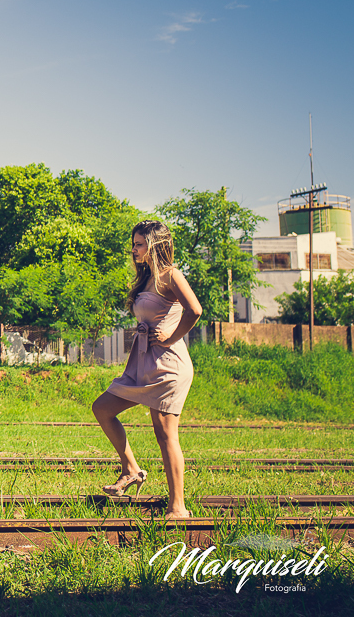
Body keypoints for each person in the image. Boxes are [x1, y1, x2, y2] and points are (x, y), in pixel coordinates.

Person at [92, 220, 202, 519]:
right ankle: (131, 468)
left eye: (139, 244)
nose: (134, 249)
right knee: (102, 408)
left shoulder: (170, 275)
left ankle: (177, 507)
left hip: (169, 365)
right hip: (143, 362)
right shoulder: (146, 278)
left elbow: (195, 310)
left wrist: (171, 336)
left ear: (155, 245)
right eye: (134, 243)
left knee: (165, 435)